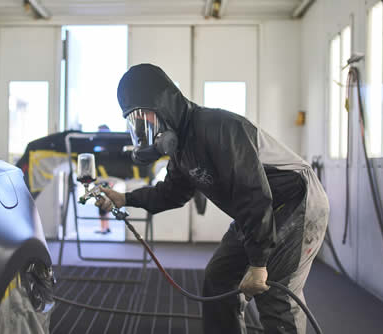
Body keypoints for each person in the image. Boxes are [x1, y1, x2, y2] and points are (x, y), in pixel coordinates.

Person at [96, 64, 329, 334]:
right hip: (259, 210)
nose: (142, 123)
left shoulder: (218, 128)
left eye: (144, 114)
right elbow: (170, 193)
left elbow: (252, 193)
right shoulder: (182, 149)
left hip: (297, 201)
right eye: (134, 119)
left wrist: (258, 263)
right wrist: (124, 198)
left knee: (275, 294)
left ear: (165, 103)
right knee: (219, 279)